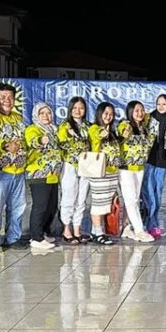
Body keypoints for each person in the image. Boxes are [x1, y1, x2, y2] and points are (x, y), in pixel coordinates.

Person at [0, 82, 28, 252]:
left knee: (18, 206)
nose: (7, 100)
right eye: (2, 97)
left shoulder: (17, 117)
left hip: (18, 170)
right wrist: (6, 145)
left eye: (10, 97)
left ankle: (13, 238)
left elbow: (24, 139)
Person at [25, 102, 62, 249]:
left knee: (51, 206)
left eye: (48, 113)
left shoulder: (54, 130)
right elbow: (33, 142)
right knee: (40, 206)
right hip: (39, 174)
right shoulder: (32, 129)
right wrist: (41, 140)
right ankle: (36, 237)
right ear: (36, 115)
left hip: (53, 175)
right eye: (42, 113)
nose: (46, 116)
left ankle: (44, 232)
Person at [118, 101, 155, 243]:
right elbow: (122, 132)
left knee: (134, 200)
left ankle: (127, 227)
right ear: (130, 112)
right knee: (131, 199)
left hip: (139, 168)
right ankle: (140, 230)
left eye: (142, 110)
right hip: (126, 168)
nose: (140, 113)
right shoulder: (126, 124)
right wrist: (124, 132)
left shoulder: (143, 128)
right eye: (136, 110)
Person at [87, 102, 123, 245]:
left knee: (106, 202)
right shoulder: (94, 128)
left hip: (113, 171)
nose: (108, 116)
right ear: (99, 114)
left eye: (111, 114)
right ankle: (98, 232)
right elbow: (98, 135)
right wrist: (104, 131)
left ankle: (96, 231)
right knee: (98, 202)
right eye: (106, 113)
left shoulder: (112, 131)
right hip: (99, 171)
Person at [57, 96, 91, 244]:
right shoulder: (64, 126)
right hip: (70, 165)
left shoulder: (88, 126)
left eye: (81, 108)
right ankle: (66, 228)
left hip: (86, 166)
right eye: (75, 108)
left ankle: (77, 229)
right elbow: (61, 143)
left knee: (82, 199)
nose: (78, 111)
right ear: (70, 109)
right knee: (68, 198)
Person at [142, 94, 166, 238]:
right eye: (158, 104)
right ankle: (150, 224)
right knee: (148, 193)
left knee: (157, 193)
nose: (161, 107)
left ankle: (152, 222)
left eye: (164, 104)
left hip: (162, 161)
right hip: (148, 159)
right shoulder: (148, 118)